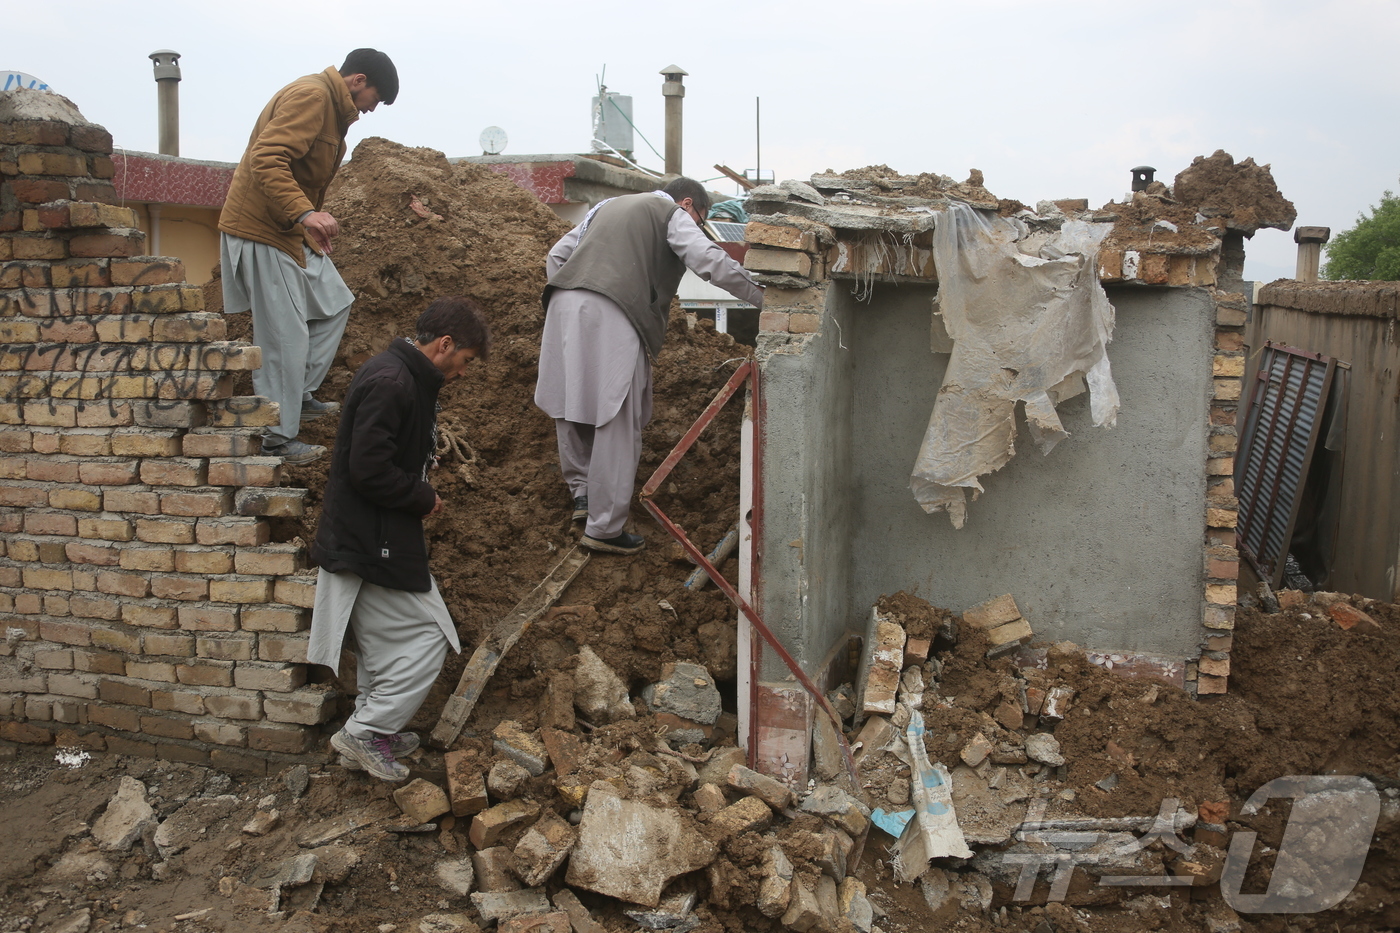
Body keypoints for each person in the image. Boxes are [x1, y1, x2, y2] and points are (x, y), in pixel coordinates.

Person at [308, 296, 491, 781]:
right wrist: (420, 496)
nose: (463, 372)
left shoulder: (399, 375)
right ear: (445, 344)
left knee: (381, 644)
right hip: (371, 538)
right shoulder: (394, 382)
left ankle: (376, 728)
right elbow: (367, 469)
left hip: (367, 534)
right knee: (431, 637)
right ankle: (365, 732)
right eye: (465, 360)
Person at [535, 178, 764, 555]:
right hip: (613, 309)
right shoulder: (668, 211)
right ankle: (604, 529)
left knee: (570, 403)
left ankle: (584, 496)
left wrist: (576, 293)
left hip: (563, 304)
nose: (696, 225)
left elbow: (557, 257)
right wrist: (762, 296)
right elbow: (706, 259)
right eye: (700, 219)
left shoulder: (605, 207)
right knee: (618, 416)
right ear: (688, 203)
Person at [218, 48, 399, 465]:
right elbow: (266, 159)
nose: (371, 110)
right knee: (284, 337)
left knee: (334, 301)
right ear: (357, 80)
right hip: (260, 228)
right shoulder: (313, 97)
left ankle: (297, 394)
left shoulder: (332, 110)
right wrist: (305, 212)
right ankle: (274, 436)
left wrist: (304, 224)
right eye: (374, 99)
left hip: (288, 230)